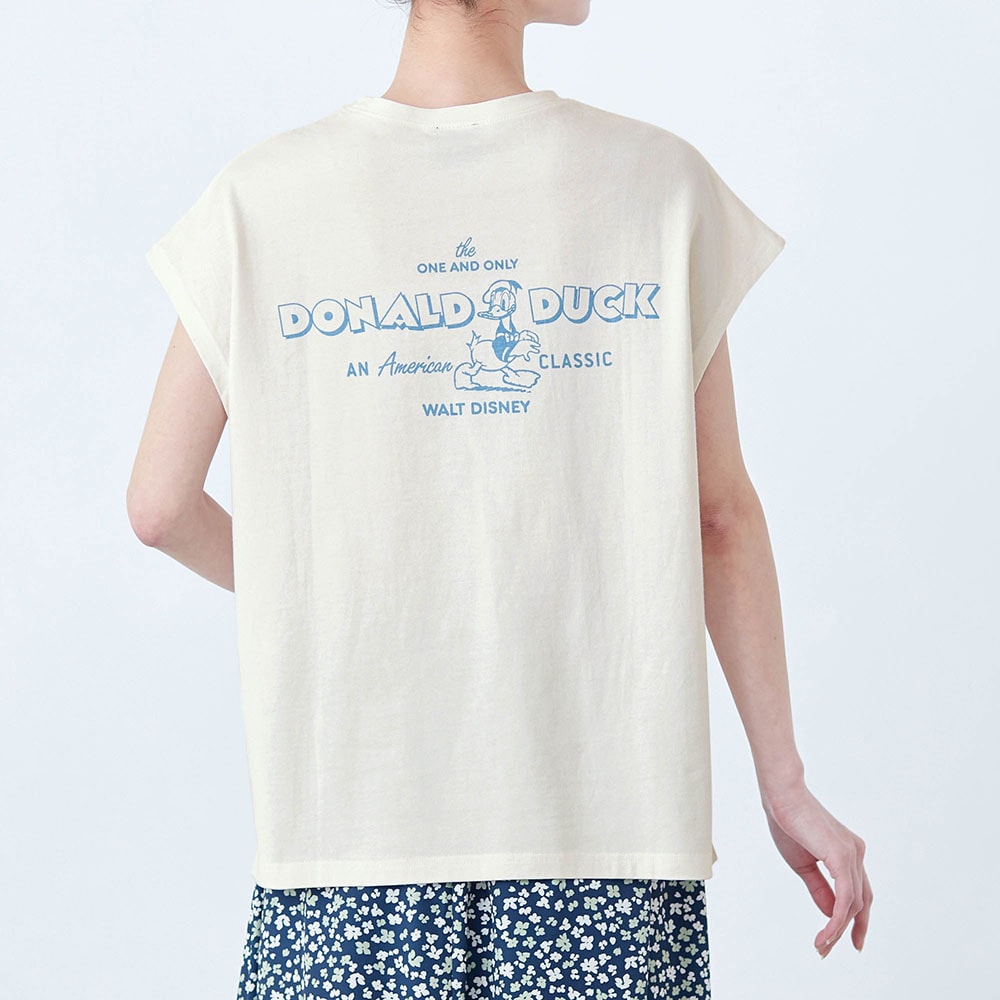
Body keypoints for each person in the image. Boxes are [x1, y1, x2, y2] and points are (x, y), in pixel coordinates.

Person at [126, 0, 873, 995]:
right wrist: (785, 784)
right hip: (605, 839)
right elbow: (717, 517)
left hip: (351, 835)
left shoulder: (260, 199)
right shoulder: (655, 185)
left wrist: (317, 590)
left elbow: (160, 506)